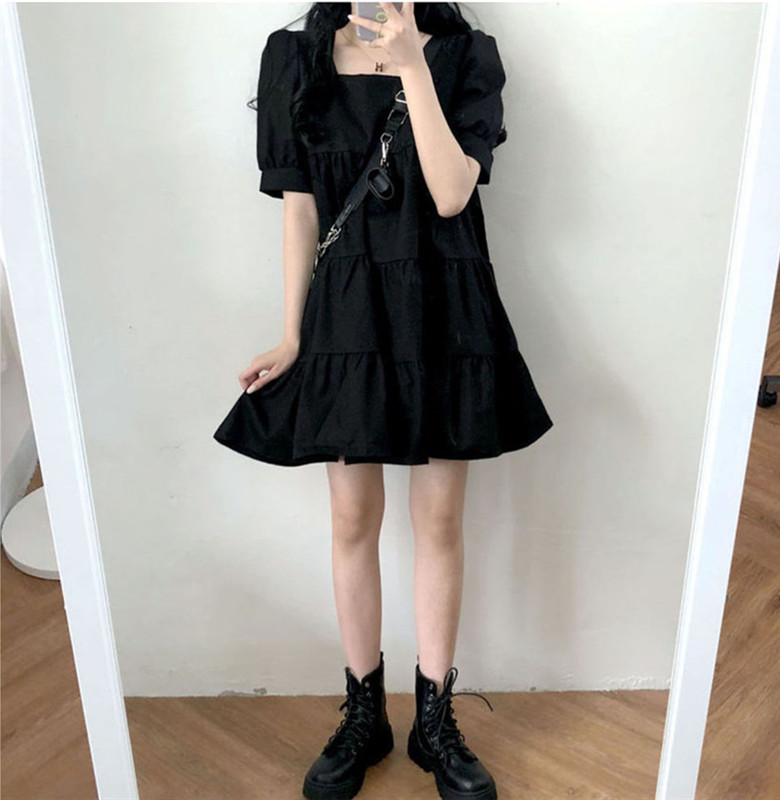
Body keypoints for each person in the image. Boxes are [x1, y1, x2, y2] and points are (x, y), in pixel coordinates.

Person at [213, 4, 554, 799]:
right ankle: (364, 716)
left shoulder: (466, 56)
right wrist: (293, 334)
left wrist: (410, 66)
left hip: (444, 309)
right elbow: (301, 209)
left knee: (439, 522)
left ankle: (435, 722)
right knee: (351, 519)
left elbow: (450, 192)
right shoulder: (294, 56)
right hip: (348, 315)